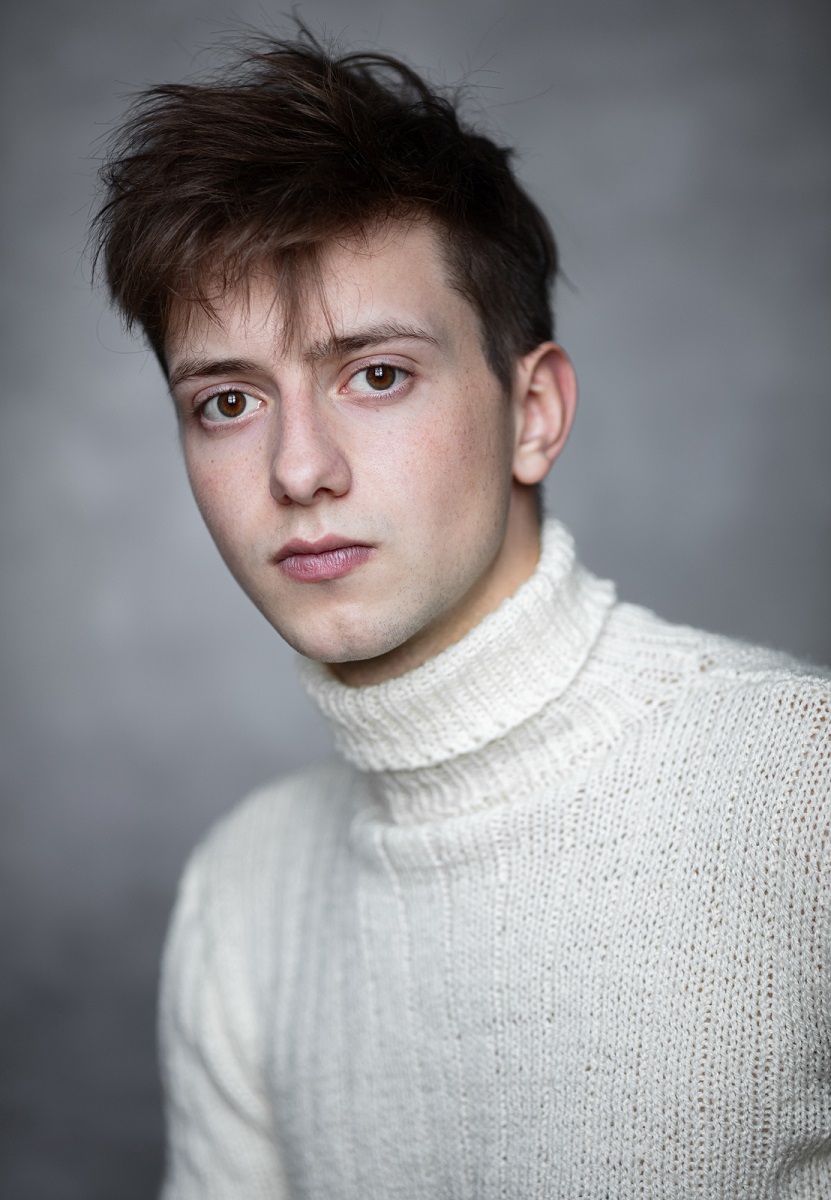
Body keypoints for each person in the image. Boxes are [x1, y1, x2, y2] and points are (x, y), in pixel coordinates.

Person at [92, 30, 831, 1199]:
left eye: (377, 374)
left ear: (533, 412)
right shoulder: (244, 890)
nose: (300, 469)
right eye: (228, 401)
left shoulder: (800, 790)